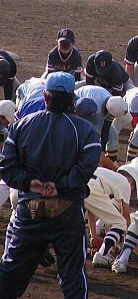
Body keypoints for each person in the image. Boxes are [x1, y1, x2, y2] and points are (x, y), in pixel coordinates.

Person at [0, 72, 101, 299]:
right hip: (68, 212)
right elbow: (87, 166)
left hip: (28, 211)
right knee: (73, 276)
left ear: (45, 98)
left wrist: (29, 184)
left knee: (10, 274)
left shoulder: (22, 126)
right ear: (72, 100)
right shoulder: (85, 130)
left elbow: (6, 166)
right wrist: (60, 186)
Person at [85, 167, 130, 267]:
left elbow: (90, 208)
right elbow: (126, 217)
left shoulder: (104, 173)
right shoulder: (125, 182)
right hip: (94, 186)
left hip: (78, 183)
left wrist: (94, 236)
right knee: (120, 223)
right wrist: (128, 245)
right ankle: (103, 254)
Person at [75, 85, 132, 161]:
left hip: (96, 111)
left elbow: (106, 128)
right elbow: (89, 129)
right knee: (92, 136)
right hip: (80, 108)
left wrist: (102, 151)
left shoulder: (113, 103)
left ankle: (111, 162)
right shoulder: (94, 106)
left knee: (113, 134)